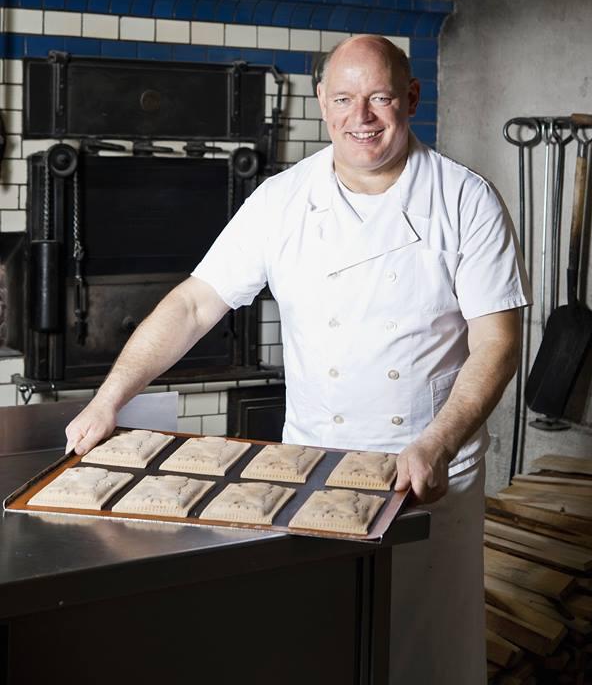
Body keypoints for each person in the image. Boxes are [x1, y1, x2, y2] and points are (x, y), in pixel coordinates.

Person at [66, 34, 530, 685]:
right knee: (317, 646)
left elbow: (497, 343)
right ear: (320, 102)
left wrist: (438, 442)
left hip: (424, 472)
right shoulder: (282, 200)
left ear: (411, 99)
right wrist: (109, 397)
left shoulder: (464, 200)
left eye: (378, 98)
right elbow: (196, 304)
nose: (359, 117)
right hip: (312, 471)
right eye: (342, 98)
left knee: (420, 656)